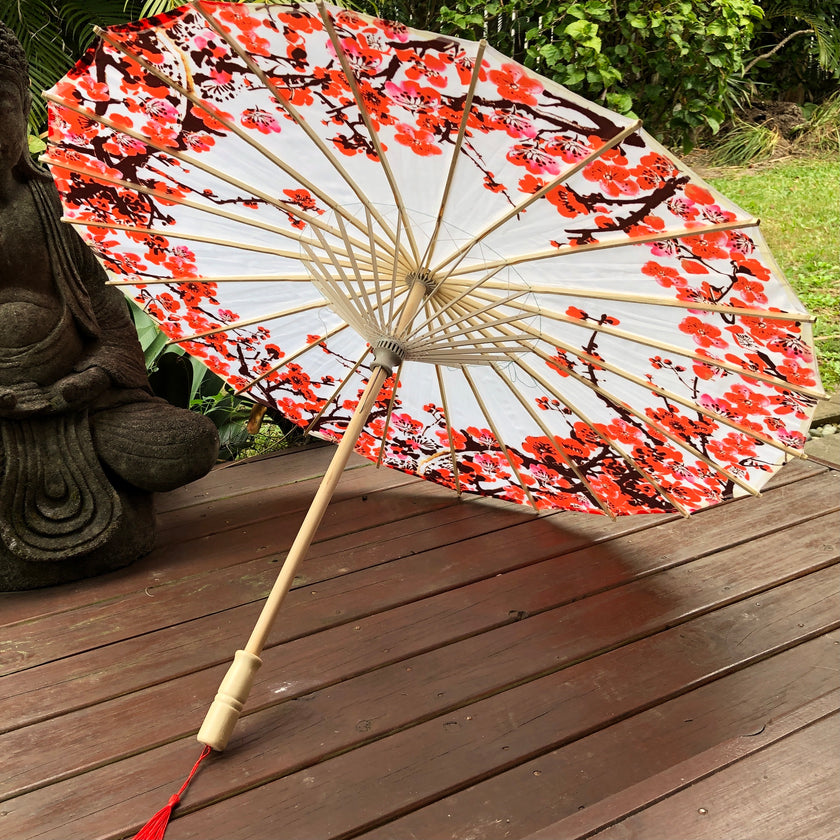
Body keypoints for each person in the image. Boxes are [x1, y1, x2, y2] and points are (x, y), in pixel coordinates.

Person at [0, 21, 219, 589]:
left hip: (84, 403)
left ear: (23, 109)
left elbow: (101, 300)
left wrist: (90, 378)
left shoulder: (49, 199)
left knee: (182, 444)